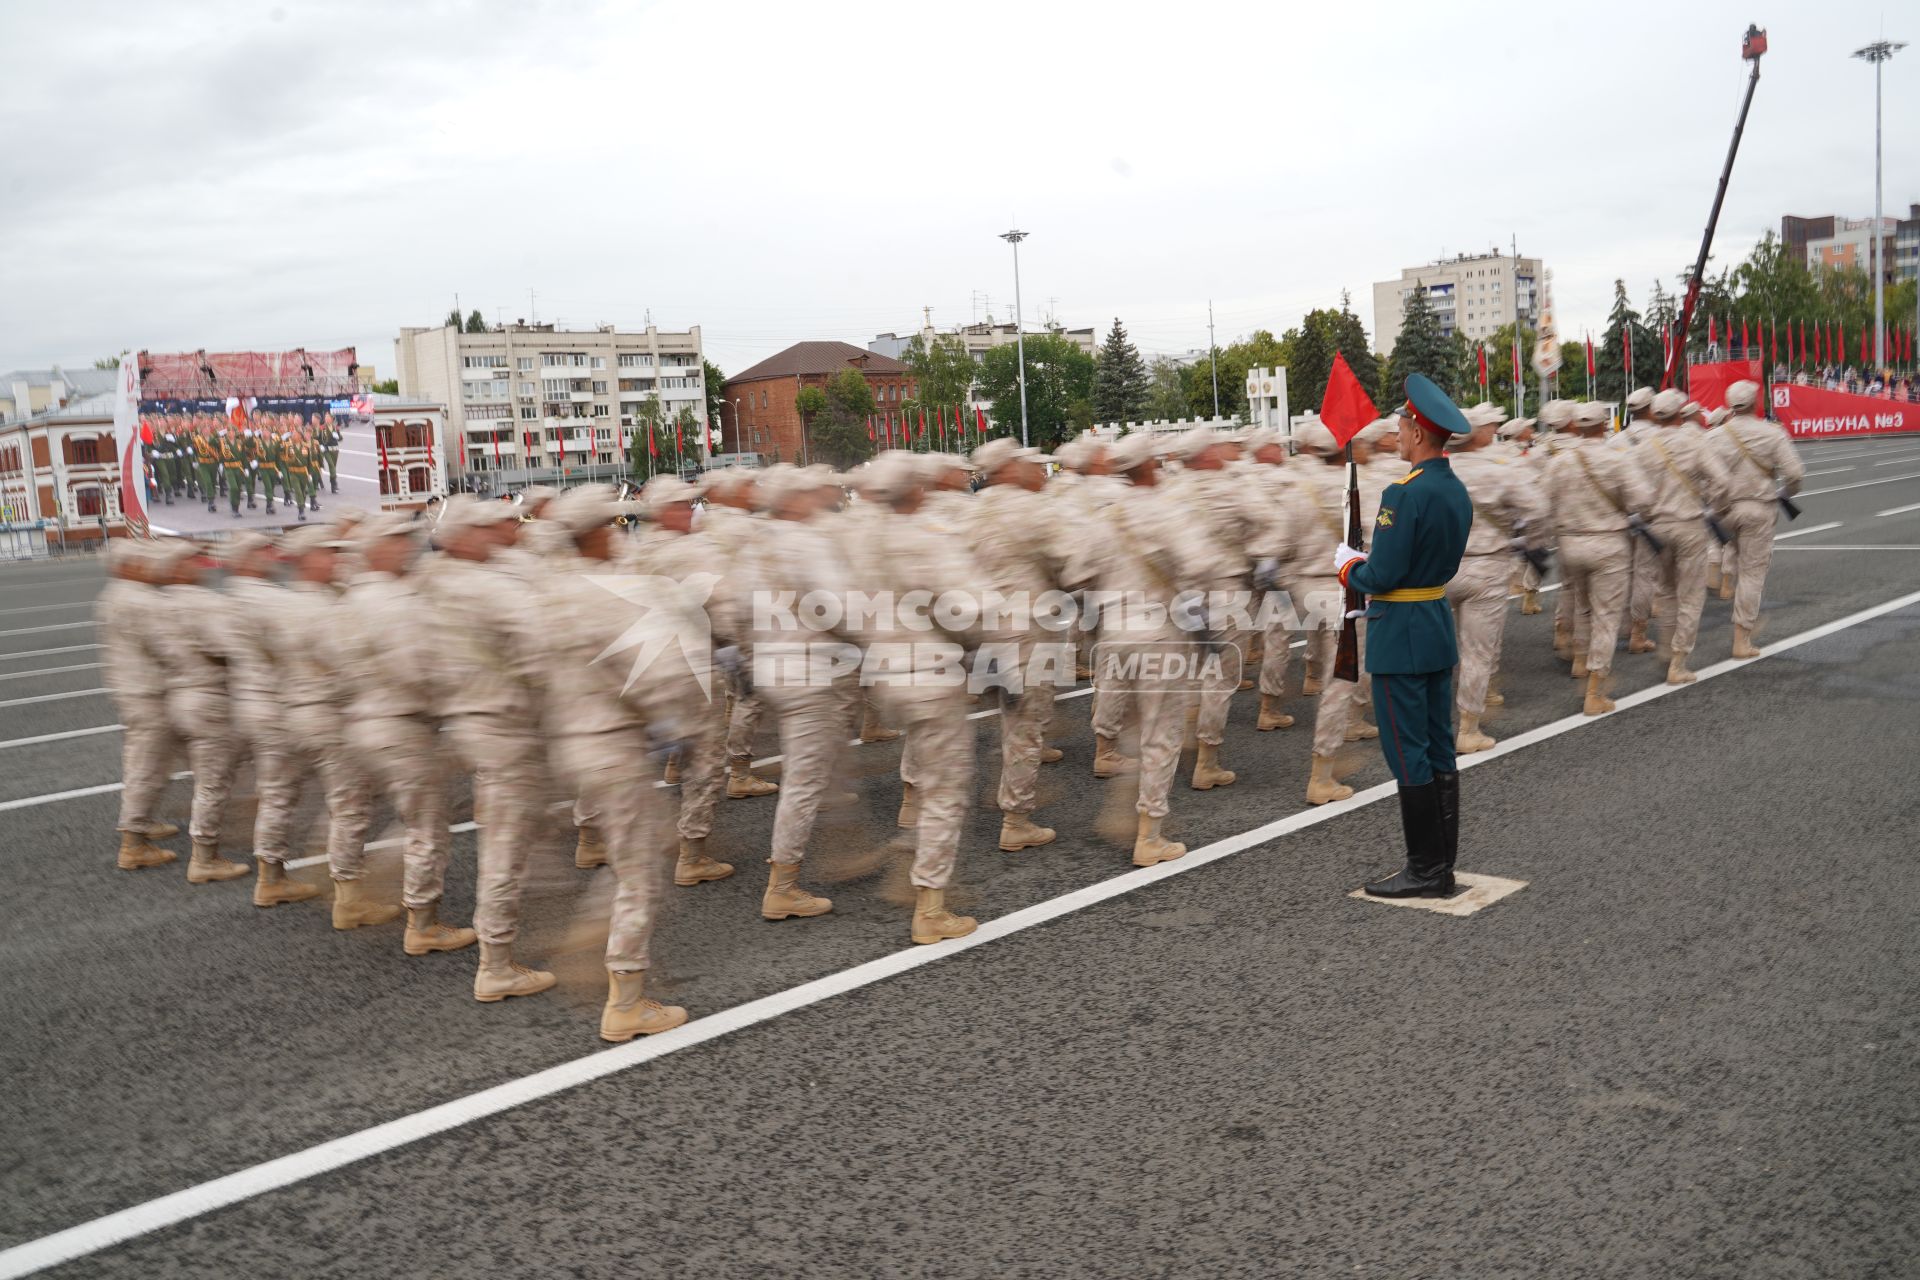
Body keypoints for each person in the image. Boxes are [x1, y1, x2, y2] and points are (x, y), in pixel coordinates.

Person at [1333, 374, 1474, 898]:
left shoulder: (1403, 493)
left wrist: (1349, 569)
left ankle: (1425, 869)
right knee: (1439, 746)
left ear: (1417, 432)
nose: (1395, 436)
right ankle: (1443, 865)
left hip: (1400, 636)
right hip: (1435, 623)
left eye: (1400, 428)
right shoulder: (1455, 490)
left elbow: (1384, 576)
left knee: (1406, 751)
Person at [420, 496, 555, 1002]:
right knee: (505, 848)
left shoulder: (431, 584)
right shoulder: (488, 587)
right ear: (461, 538)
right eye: (483, 529)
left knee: (503, 833)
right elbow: (542, 647)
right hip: (502, 725)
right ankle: (496, 964)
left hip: (466, 723)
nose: (496, 534)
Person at [336, 512, 473, 948]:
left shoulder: (351, 596)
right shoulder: (394, 603)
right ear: (376, 550)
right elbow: (419, 671)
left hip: (361, 721)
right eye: (396, 541)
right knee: (427, 824)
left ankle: (348, 898)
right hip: (403, 725)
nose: (407, 547)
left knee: (354, 810)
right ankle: (422, 924)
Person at [968, 437, 1070, 852]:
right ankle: (1016, 818)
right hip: (1028, 632)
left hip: (983, 632)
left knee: (1004, 719)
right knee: (1025, 724)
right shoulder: (1032, 510)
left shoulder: (973, 511)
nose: (1035, 470)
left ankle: (926, 801)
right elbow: (1068, 561)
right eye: (1024, 463)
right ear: (1009, 468)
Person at [1543, 401, 1657, 715]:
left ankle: (1580, 659)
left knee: (1581, 604)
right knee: (1606, 616)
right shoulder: (1617, 459)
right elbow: (1644, 501)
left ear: (1576, 426)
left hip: (1570, 544)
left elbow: (1544, 502)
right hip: (1608, 545)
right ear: (1604, 425)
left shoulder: (1561, 461)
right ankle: (1595, 690)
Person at [146, 540, 249, 883]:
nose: (201, 564)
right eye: (193, 560)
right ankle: (205, 856)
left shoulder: (158, 604)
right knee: (213, 782)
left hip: (177, 697)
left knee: (209, 776)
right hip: (208, 698)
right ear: (177, 569)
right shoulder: (202, 602)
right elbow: (224, 646)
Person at [1633, 389, 1732, 685]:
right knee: (1689, 595)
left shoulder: (1642, 447)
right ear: (1680, 413)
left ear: (1655, 414)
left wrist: (1646, 512)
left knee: (1665, 591)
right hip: (1689, 526)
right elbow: (1723, 481)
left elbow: (1630, 490)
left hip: (1656, 528)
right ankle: (1678, 661)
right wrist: (1715, 508)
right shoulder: (1695, 443)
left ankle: (1665, 647)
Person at [98, 541, 183, 870]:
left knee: (148, 762)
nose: (152, 566)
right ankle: (134, 843)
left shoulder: (116, 593)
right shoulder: (139, 599)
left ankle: (142, 821)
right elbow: (168, 649)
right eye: (144, 562)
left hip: (132, 690)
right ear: (128, 566)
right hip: (148, 693)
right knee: (147, 764)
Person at [1712, 379, 1805, 659]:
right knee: (1751, 574)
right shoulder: (1772, 433)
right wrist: (1785, 494)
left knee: (1717, 557)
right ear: (1755, 403)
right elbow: (1795, 474)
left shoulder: (1713, 436)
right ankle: (1742, 639)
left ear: (1730, 406)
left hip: (1724, 510)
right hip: (1758, 509)